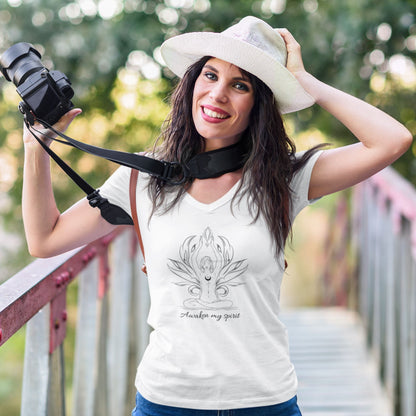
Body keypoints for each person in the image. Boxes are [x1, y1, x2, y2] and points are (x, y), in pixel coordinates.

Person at [22, 16, 412, 416]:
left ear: (259, 104)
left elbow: (392, 140)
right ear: (192, 84)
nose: (217, 94)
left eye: (239, 85)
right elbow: (45, 239)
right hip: (165, 401)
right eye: (210, 75)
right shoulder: (143, 177)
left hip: (264, 402)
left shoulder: (285, 177)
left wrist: (303, 82)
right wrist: (36, 144)